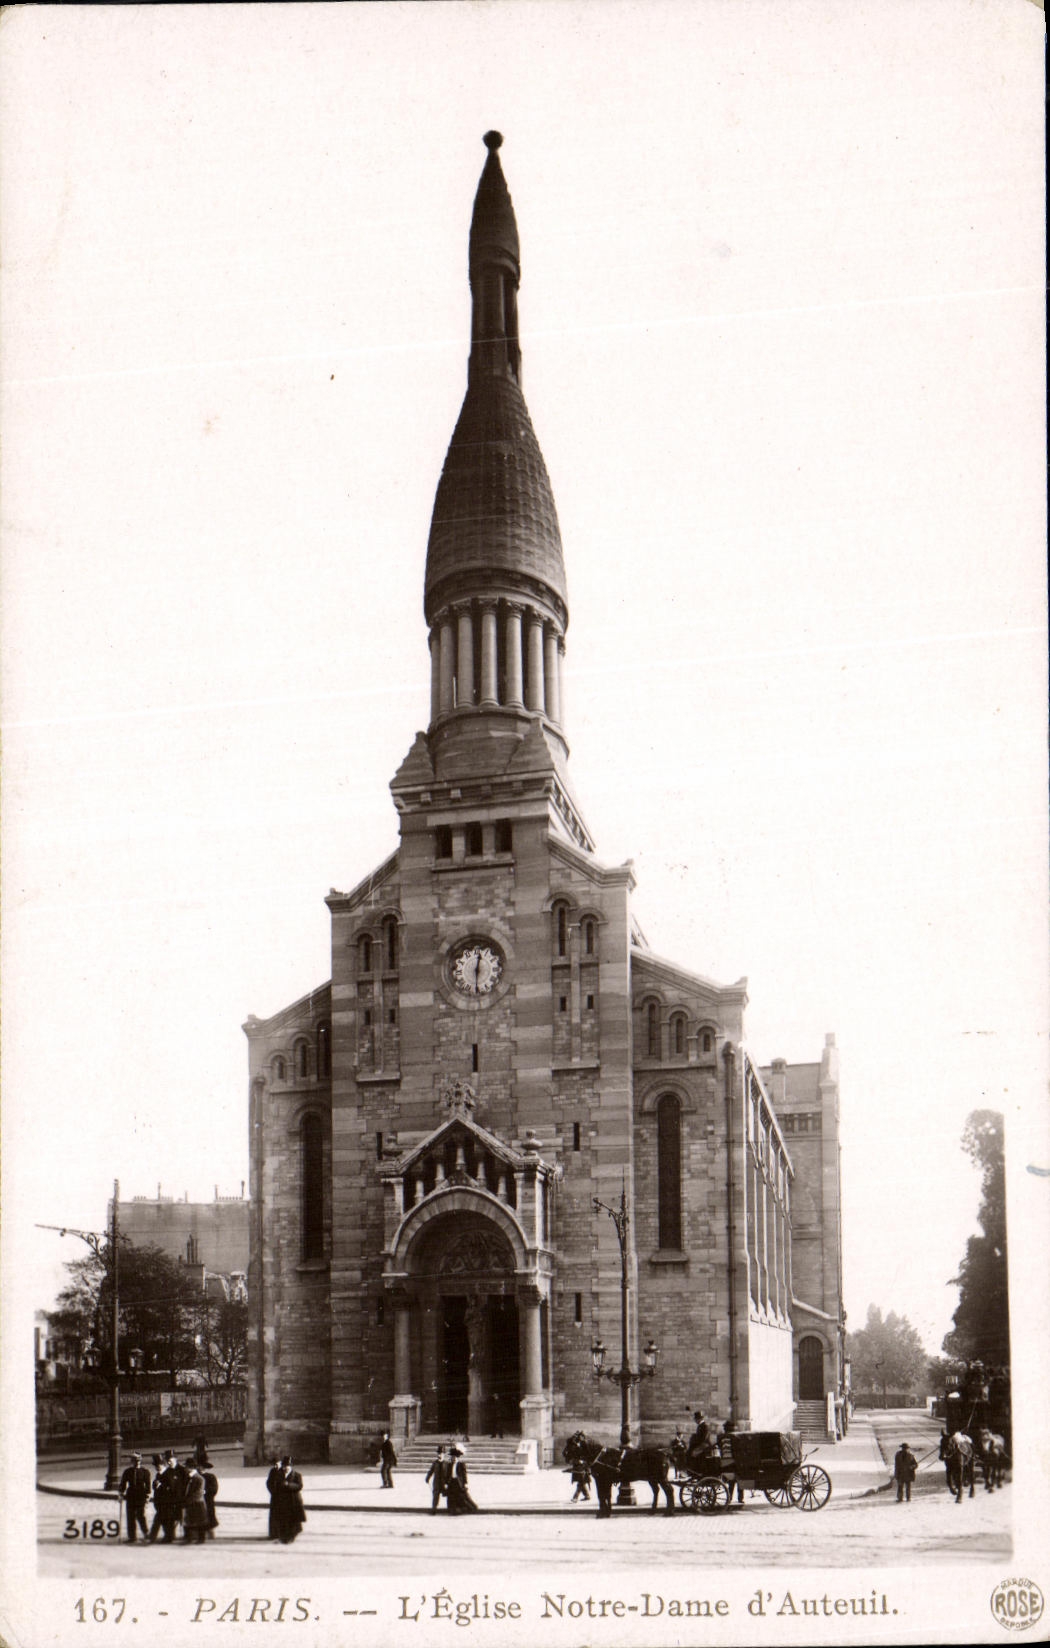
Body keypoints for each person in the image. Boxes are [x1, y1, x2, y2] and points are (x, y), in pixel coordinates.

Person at [118, 1451, 151, 1543]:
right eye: (135, 1461)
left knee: (141, 1516)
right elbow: (123, 1484)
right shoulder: (127, 1472)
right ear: (132, 1461)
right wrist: (120, 1493)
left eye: (138, 1460)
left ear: (141, 1461)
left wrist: (147, 1496)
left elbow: (148, 1486)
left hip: (141, 1496)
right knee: (130, 1516)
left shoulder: (145, 1472)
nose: (137, 1463)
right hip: (131, 1496)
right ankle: (132, 1537)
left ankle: (146, 1533)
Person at [147, 1455, 177, 1543]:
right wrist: (155, 1485)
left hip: (167, 1502)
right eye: (156, 1466)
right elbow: (155, 1486)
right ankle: (167, 1537)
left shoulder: (168, 1473)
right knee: (163, 1520)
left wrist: (161, 1486)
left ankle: (158, 1537)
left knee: (164, 1520)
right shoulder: (158, 1474)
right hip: (160, 1502)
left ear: (163, 1465)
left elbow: (172, 1487)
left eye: (158, 1465)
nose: (157, 1467)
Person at [278, 1458, 306, 1543]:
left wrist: (289, 1485)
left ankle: (291, 1536)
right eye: (284, 1466)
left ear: (291, 1466)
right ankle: (285, 1536)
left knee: (293, 1520)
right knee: (285, 1519)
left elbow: (299, 1486)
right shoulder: (280, 1475)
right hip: (284, 1502)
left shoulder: (297, 1475)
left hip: (294, 1501)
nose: (286, 1468)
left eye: (288, 1466)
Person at [182, 1461, 209, 1543]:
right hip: (191, 1503)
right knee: (190, 1521)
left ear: (191, 1468)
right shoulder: (189, 1477)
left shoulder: (199, 1478)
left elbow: (199, 1492)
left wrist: (188, 1501)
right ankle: (190, 1538)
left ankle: (201, 1539)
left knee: (200, 1521)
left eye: (186, 1467)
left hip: (197, 1503)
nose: (185, 1469)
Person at [446, 1447, 478, 1514]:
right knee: (452, 1496)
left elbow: (464, 1474)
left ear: (458, 1457)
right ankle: (454, 1509)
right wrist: (447, 1482)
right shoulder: (449, 1464)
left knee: (462, 1496)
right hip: (452, 1482)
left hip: (458, 1482)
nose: (453, 1459)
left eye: (455, 1457)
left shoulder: (461, 1464)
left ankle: (469, 1508)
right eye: (452, 1457)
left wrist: (465, 1482)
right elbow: (448, 1474)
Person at [425, 1443, 450, 1514]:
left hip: (444, 1483)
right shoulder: (435, 1463)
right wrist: (427, 1478)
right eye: (439, 1454)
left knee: (448, 1496)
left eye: (441, 1454)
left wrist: (447, 1483)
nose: (440, 1455)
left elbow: (448, 1474)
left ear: (444, 1455)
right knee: (435, 1497)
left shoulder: (446, 1464)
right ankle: (434, 1509)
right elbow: (431, 1471)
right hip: (436, 1483)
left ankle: (450, 1509)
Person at [266, 1458, 287, 1540]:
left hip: (282, 1497)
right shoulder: (272, 1471)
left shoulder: (284, 1471)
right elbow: (268, 1482)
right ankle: (273, 1533)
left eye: (277, 1464)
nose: (276, 1466)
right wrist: (272, 1490)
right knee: (274, 1516)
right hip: (274, 1496)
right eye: (275, 1464)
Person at [200, 1455, 219, 1538]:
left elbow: (214, 1488)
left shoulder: (210, 1477)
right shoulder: (196, 1476)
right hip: (199, 1500)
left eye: (202, 1467)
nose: (200, 1468)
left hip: (208, 1500)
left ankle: (211, 1533)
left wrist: (206, 1491)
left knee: (209, 1516)